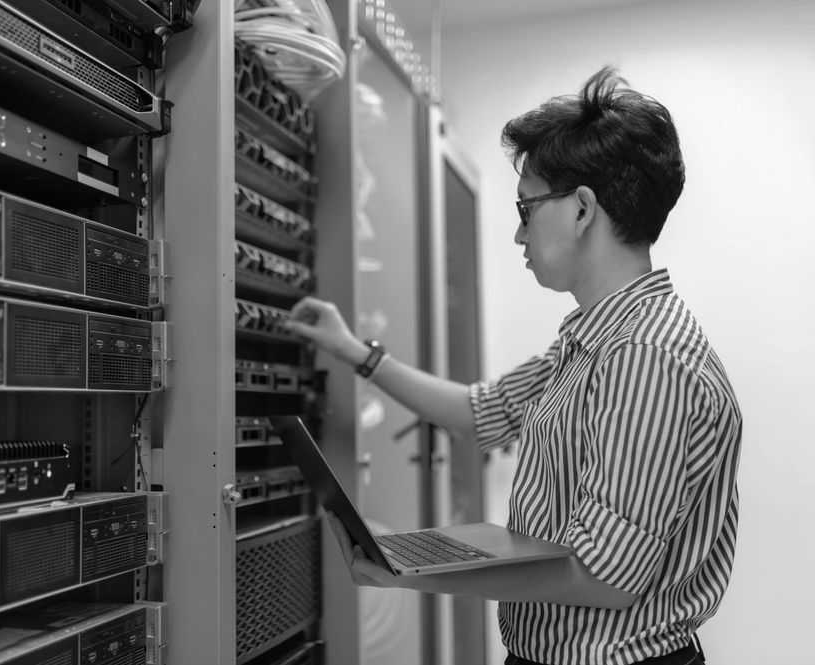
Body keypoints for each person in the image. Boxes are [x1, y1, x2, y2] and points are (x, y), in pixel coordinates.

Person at [283, 67, 741, 665]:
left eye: (526, 209)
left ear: (581, 210)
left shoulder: (644, 356)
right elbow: (482, 412)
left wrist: (410, 571)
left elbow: (602, 579)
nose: (517, 234)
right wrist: (356, 352)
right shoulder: (591, 342)